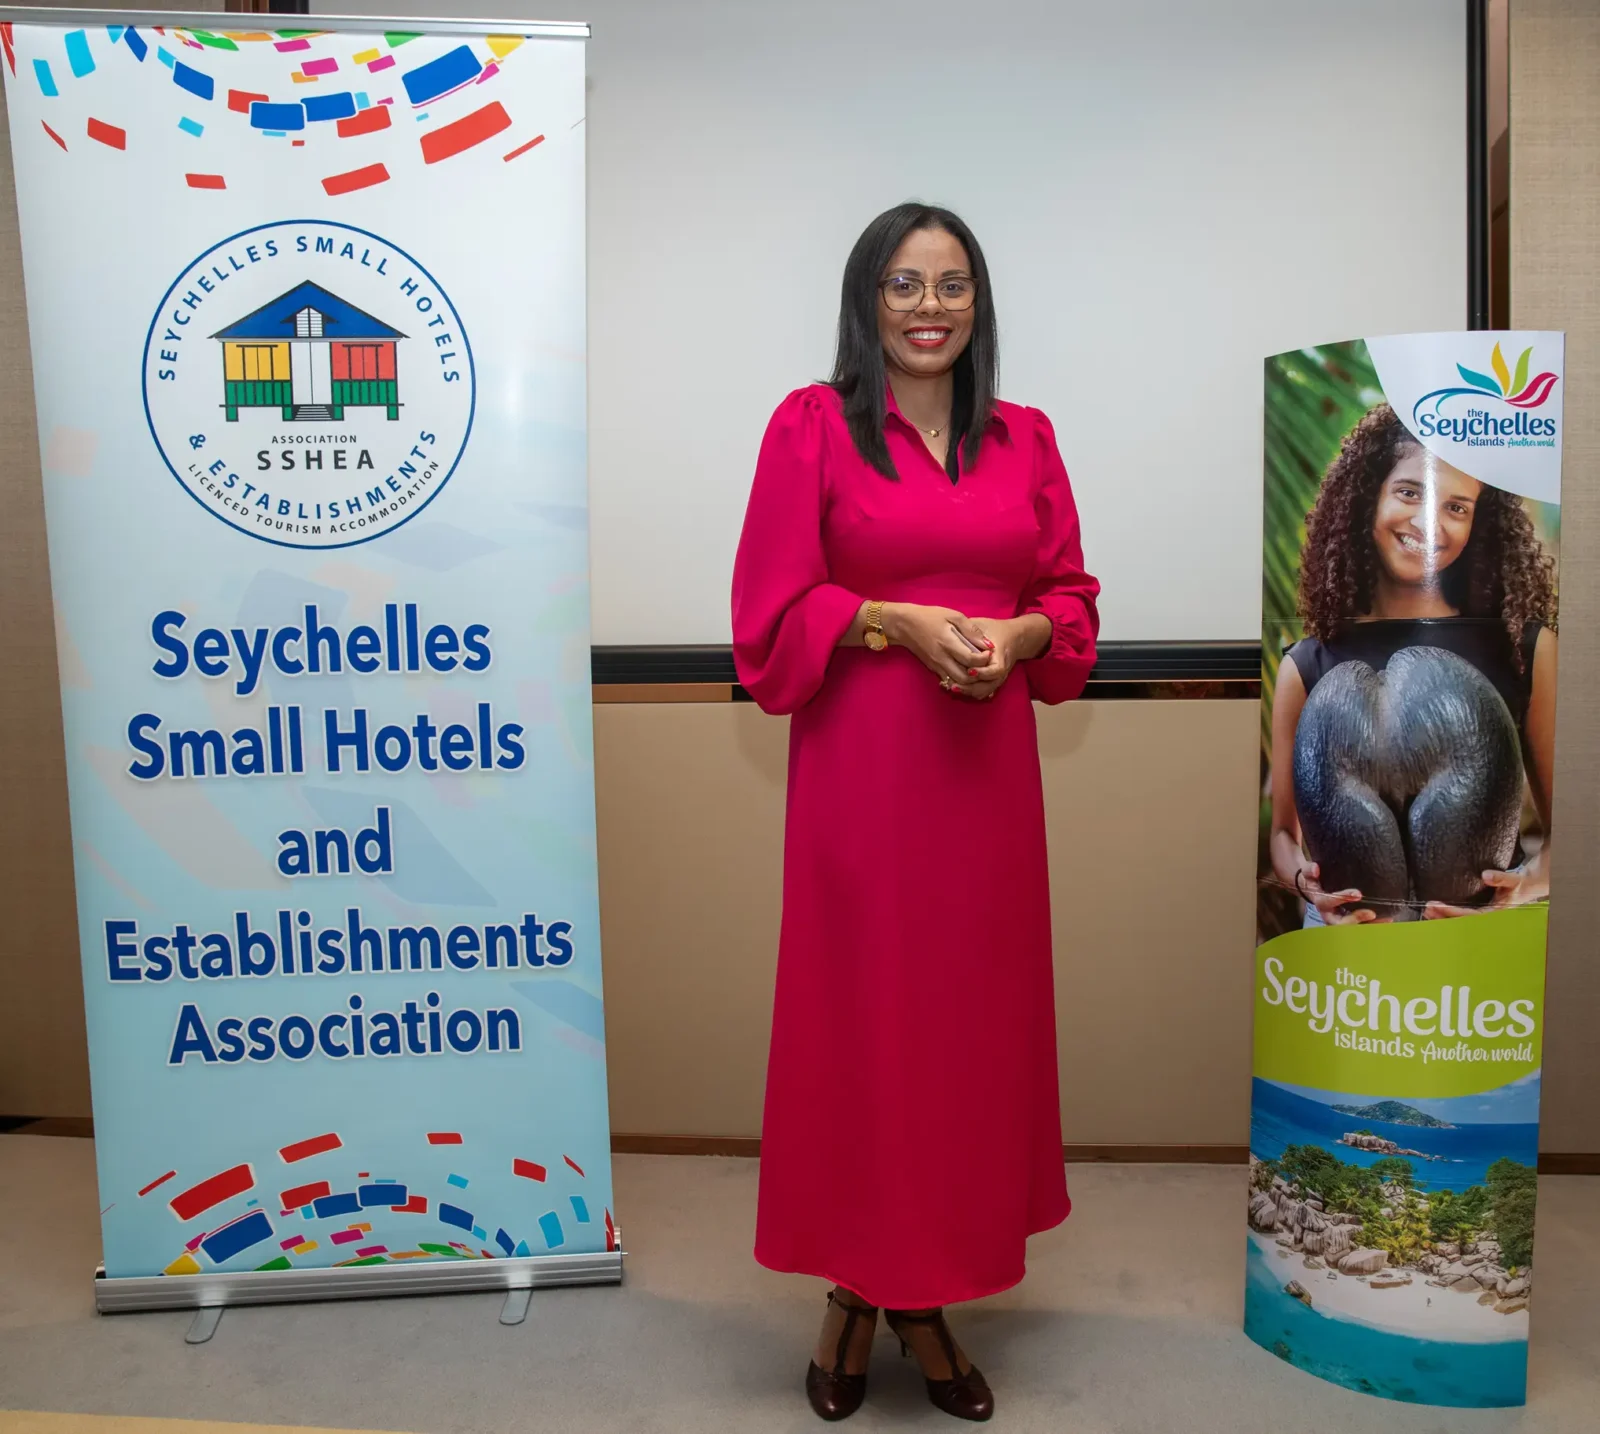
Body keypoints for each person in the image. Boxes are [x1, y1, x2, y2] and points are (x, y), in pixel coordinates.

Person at [730, 202, 1099, 1423]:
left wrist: (1025, 631)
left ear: (978, 303)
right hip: (862, 785)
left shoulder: (1025, 440)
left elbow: (1069, 599)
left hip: (984, 793)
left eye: (951, 285)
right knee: (864, 1033)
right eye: (902, 285)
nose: (928, 307)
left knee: (961, 1043)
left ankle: (922, 1290)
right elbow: (770, 627)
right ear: (865, 301)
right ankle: (858, 1290)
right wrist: (889, 619)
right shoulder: (811, 429)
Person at [1268, 404, 1557, 924]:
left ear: (1479, 524)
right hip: (1353, 949)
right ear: (1367, 499)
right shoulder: (1309, 661)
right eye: (1409, 492)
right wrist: (1308, 888)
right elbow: (1284, 836)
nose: (1430, 522)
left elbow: (1571, 830)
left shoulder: (1524, 649)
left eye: (1458, 507)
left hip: (1483, 940)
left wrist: (1520, 891)